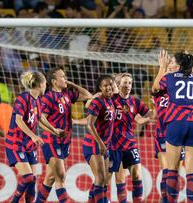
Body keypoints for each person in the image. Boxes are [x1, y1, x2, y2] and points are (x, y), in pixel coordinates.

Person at [152, 50, 193, 203]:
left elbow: (156, 87)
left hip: (176, 121)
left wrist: (162, 66)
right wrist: (188, 60)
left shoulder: (169, 78)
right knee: (191, 168)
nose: (171, 63)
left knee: (172, 168)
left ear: (179, 64)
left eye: (173, 61)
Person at [36, 67, 92, 203]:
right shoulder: (48, 97)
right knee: (60, 177)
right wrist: (53, 131)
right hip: (51, 140)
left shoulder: (67, 94)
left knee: (50, 178)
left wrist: (72, 84)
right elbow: (40, 121)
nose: (65, 78)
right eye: (62, 77)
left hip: (65, 140)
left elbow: (88, 96)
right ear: (54, 81)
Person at [5, 71, 62, 203]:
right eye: (45, 85)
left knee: (32, 181)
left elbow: (41, 118)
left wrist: (54, 131)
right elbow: (19, 120)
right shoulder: (23, 98)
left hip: (29, 145)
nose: (46, 87)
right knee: (28, 178)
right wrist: (33, 136)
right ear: (40, 84)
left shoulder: (38, 100)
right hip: (16, 143)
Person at [109, 73, 154, 202]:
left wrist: (156, 108)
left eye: (130, 83)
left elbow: (147, 115)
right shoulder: (112, 99)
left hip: (130, 143)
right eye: (125, 82)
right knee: (120, 178)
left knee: (137, 174)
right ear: (118, 85)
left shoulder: (135, 101)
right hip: (115, 144)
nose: (128, 85)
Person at [151, 58, 186, 202]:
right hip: (162, 133)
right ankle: (165, 200)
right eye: (170, 63)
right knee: (166, 172)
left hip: (178, 134)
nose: (172, 65)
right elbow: (154, 89)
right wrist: (162, 67)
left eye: (175, 64)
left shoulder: (182, 86)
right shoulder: (160, 87)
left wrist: (188, 64)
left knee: (175, 172)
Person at [83, 75, 116, 203]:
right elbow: (89, 124)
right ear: (100, 88)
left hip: (104, 145)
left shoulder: (110, 101)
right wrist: (100, 143)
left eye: (110, 84)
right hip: (93, 144)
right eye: (105, 85)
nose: (108, 87)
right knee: (101, 179)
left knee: (102, 179)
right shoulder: (97, 101)